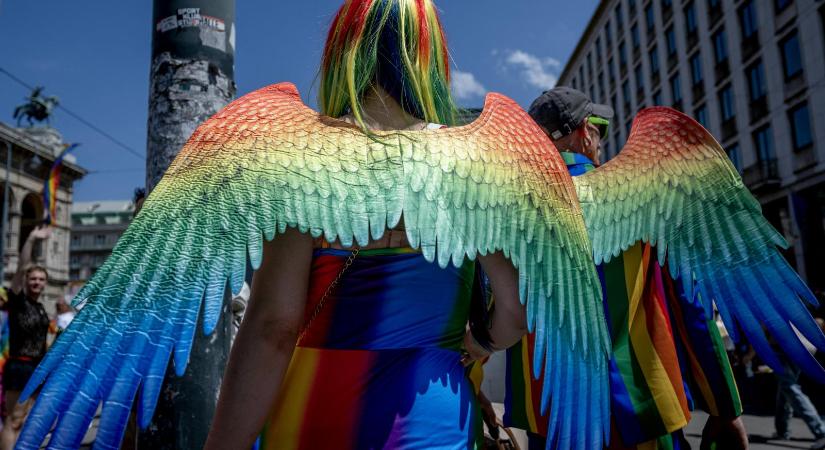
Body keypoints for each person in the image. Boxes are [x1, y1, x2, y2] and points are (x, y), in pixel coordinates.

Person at [204, 1, 526, 448]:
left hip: (312, 413)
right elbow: (516, 309)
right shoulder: (470, 165)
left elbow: (272, 327)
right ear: (428, 53)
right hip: (428, 419)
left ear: (342, 53)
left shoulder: (304, 160)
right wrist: (480, 344)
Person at [502, 87, 748, 450]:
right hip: (640, 412)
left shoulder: (503, 215)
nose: (600, 138)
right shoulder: (640, 197)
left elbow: (490, 311)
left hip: (550, 419)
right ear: (584, 131)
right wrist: (725, 407)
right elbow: (692, 308)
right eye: (599, 127)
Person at [0, 226, 51, 450]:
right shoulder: (18, 302)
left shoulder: (40, 308)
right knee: (15, 420)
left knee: (29, 421)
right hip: (19, 367)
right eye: (33, 279)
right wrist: (31, 239)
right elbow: (21, 268)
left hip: (37, 368)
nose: (36, 282)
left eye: (41, 279)